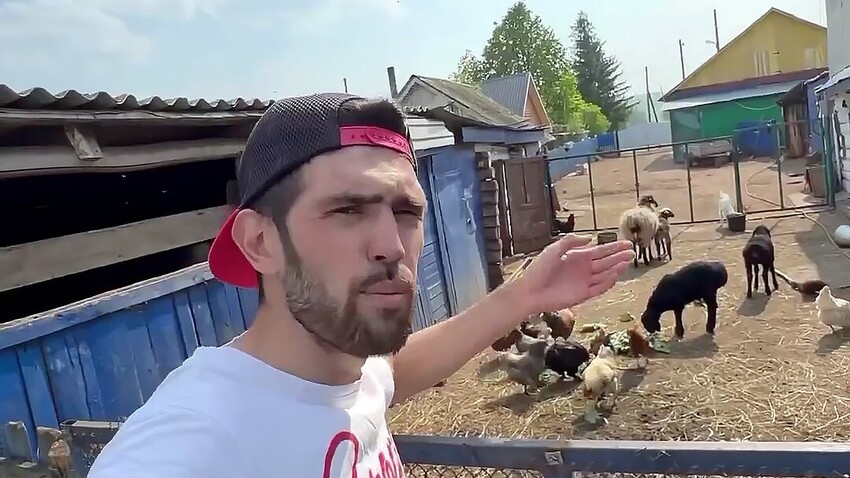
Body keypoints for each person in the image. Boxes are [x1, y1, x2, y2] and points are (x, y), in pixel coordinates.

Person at [87, 93, 634, 477]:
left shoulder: (350, 369)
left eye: (406, 212)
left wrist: (524, 296)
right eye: (348, 209)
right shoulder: (195, 441)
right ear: (260, 242)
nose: (392, 245)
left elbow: (394, 371)